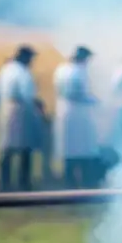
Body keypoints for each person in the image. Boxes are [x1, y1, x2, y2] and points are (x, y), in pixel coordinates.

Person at [52, 46, 101, 188]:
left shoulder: (61, 70)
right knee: (82, 149)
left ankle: (69, 182)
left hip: (64, 111)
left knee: (69, 150)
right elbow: (80, 94)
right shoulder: (79, 72)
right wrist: (95, 101)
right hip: (79, 113)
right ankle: (85, 182)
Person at [0, 45, 41, 192]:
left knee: (7, 147)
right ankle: (24, 182)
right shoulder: (22, 72)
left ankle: (5, 182)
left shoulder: (6, 69)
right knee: (24, 148)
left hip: (5, 108)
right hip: (20, 110)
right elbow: (27, 94)